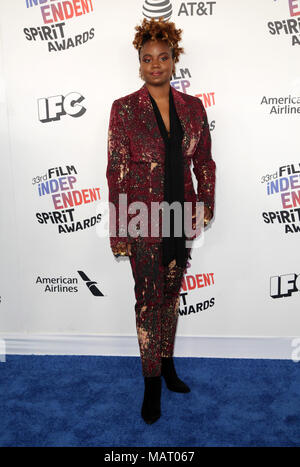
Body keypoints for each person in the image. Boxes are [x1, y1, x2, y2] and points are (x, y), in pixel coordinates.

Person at [106, 17, 216, 424]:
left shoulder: (193, 107)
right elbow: (116, 169)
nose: (156, 65)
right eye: (148, 59)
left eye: (163, 57)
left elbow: (203, 161)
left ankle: (167, 366)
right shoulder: (124, 110)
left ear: (174, 61)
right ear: (139, 64)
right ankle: (152, 383)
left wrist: (206, 202)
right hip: (141, 219)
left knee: (170, 297)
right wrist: (119, 228)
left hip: (179, 217)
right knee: (148, 301)